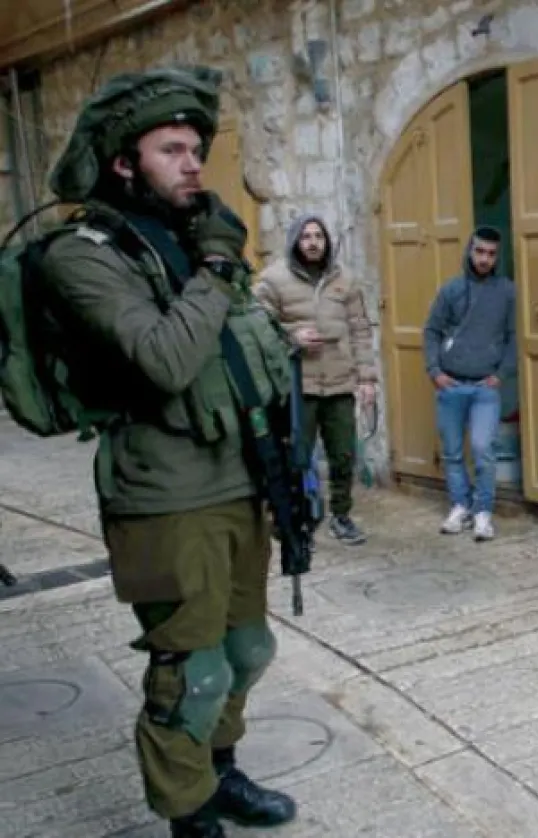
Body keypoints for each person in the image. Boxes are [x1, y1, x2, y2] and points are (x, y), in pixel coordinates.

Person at [35, 66, 298, 836]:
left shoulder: (187, 240)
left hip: (236, 479)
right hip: (161, 492)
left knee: (247, 650)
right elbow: (165, 359)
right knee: (194, 670)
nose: (194, 165)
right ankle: (187, 813)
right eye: (172, 150)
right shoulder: (79, 255)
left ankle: (219, 773)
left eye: (196, 149)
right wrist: (219, 268)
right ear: (124, 162)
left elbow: (242, 357)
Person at [253, 214, 376, 546]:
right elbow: (257, 326)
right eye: (306, 236)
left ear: (327, 241)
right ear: (295, 240)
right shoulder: (273, 279)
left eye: (318, 236)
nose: (312, 242)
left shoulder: (344, 280)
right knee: (295, 456)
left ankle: (341, 515)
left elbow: (361, 330)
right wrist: (293, 336)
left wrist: (367, 378)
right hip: (298, 386)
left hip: (339, 383)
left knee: (342, 455)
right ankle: (294, 518)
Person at [422, 226, 515, 541]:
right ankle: (460, 505)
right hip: (451, 385)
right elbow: (431, 330)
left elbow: (515, 336)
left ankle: (483, 511)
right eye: (479, 251)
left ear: (497, 257)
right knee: (451, 452)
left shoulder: (506, 291)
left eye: (491, 254)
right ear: (469, 251)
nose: (484, 259)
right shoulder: (451, 290)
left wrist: (501, 374)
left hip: (484, 388)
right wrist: (435, 371)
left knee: (482, 448)